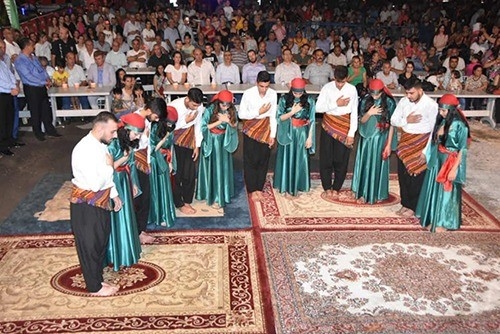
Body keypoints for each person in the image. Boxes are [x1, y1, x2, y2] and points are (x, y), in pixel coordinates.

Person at [70, 111, 122, 296]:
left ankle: (97, 279)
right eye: (113, 132)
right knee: (89, 246)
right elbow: (95, 184)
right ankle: (94, 287)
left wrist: (114, 194)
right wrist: (110, 166)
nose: (115, 136)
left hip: (100, 201)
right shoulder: (85, 150)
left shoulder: (100, 145)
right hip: (86, 204)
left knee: (100, 241)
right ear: (100, 128)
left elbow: (106, 181)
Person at [416, 94, 470, 232]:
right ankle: (432, 216)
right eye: (440, 109)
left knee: (446, 191)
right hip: (438, 158)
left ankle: (444, 222)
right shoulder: (442, 121)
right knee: (434, 187)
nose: (441, 113)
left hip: (450, 160)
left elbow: (462, 149)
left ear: (451, 110)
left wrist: (454, 169)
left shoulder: (460, 125)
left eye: (444, 110)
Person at [391, 79, 438, 218]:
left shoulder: (431, 105)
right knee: (403, 175)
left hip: (422, 142)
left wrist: (426, 151)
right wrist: (406, 120)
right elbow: (393, 120)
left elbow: (434, 130)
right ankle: (405, 203)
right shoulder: (404, 102)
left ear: (420, 90)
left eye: (411, 93)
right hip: (405, 141)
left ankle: (413, 206)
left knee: (416, 176)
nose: (409, 96)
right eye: (407, 93)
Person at [106, 113, 144, 271]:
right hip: (114, 181)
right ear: (126, 130)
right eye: (136, 133)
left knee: (128, 214)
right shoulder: (112, 144)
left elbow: (133, 165)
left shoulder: (130, 143)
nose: (137, 137)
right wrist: (124, 158)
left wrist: (134, 183)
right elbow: (109, 168)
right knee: (117, 215)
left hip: (126, 179)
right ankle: (116, 253)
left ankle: (129, 249)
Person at [351, 79, 397, 204]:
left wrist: (388, 143)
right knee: (366, 164)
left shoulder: (389, 102)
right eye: (373, 93)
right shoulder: (366, 100)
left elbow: (393, 124)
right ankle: (363, 193)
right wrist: (369, 113)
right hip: (367, 138)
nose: (375, 96)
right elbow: (362, 120)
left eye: (378, 94)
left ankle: (376, 193)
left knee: (378, 164)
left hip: (381, 138)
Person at [316, 65, 358, 199]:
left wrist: (351, 133)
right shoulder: (327, 88)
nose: (339, 85)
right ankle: (327, 186)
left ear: (347, 78)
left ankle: (336, 187)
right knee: (326, 158)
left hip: (344, 126)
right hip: (328, 125)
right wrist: (336, 103)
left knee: (341, 159)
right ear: (334, 78)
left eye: (342, 82)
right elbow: (318, 108)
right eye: (337, 81)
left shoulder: (352, 89)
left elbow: (354, 112)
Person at [238, 71, 277, 201]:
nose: (264, 90)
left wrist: (273, 135)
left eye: (266, 86)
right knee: (250, 160)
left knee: (263, 160)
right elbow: (241, 114)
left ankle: (259, 188)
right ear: (257, 83)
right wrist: (258, 112)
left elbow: (273, 115)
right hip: (251, 129)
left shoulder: (273, 94)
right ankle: (252, 189)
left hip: (265, 128)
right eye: (261, 86)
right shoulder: (248, 94)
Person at [273, 78, 316, 196]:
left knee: (300, 158)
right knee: (287, 156)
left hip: (302, 132)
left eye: (300, 93)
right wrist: (292, 112)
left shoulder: (309, 101)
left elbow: (311, 120)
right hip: (288, 131)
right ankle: (285, 184)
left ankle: (299, 184)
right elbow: (279, 118)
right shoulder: (284, 99)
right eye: (295, 92)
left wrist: (310, 137)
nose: (297, 95)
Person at [196, 90, 238, 208]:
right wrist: (219, 121)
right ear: (218, 102)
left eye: (227, 105)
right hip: (211, 140)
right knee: (213, 168)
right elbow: (204, 127)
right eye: (222, 104)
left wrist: (228, 121)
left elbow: (235, 125)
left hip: (223, 141)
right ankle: (211, 195)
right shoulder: (210, 110)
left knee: (222, 167)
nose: (225, 107)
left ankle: (222, 194)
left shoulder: (232, 110)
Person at [15, 38, 61, 141]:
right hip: (31, 88)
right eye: (32, 45)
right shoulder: (20, 61)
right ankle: (38, 132)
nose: (34, 46)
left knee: (46, 109)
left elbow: (42, 69)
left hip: (41, 87)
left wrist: (47, 78)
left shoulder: (34, 57)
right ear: (27, 46)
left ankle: (50, 130)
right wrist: (44, 82)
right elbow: (28, 77)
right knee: (35, 111)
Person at [168, 88, 205, 214]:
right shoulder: (173, 107)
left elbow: (198, 125)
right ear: (187, 99)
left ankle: (188, 200)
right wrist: (185, 121)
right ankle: (178, 203)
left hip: (190, 140)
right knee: (177, 173)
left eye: (198, 106)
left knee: (189, 172)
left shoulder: (199, 107)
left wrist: (197, 145)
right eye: (193, 105)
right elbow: (167, 129)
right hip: (175, 142)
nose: (195, 108)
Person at [148, 99, 179, 226]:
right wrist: (165, 137)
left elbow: (171, 146)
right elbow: (153, 148)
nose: (171, 126)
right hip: (156, 160)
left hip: (165, 158)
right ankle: (157, 215)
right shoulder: (155, 128)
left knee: (165, 187)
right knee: (157, 187)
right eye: (169, 124)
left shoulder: (170, 129)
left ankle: (166, 213)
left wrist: (171, 162)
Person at [0, 39, 19, 157]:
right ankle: (2, 146)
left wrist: (15, 85)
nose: (3, 49)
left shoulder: (2, 62)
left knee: (9, 119)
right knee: (2, 121)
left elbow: (10, 75)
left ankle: (9, 142)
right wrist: (10, 89)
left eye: (3, 47)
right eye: (0, 47)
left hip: (9, 93)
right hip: (2, 94)